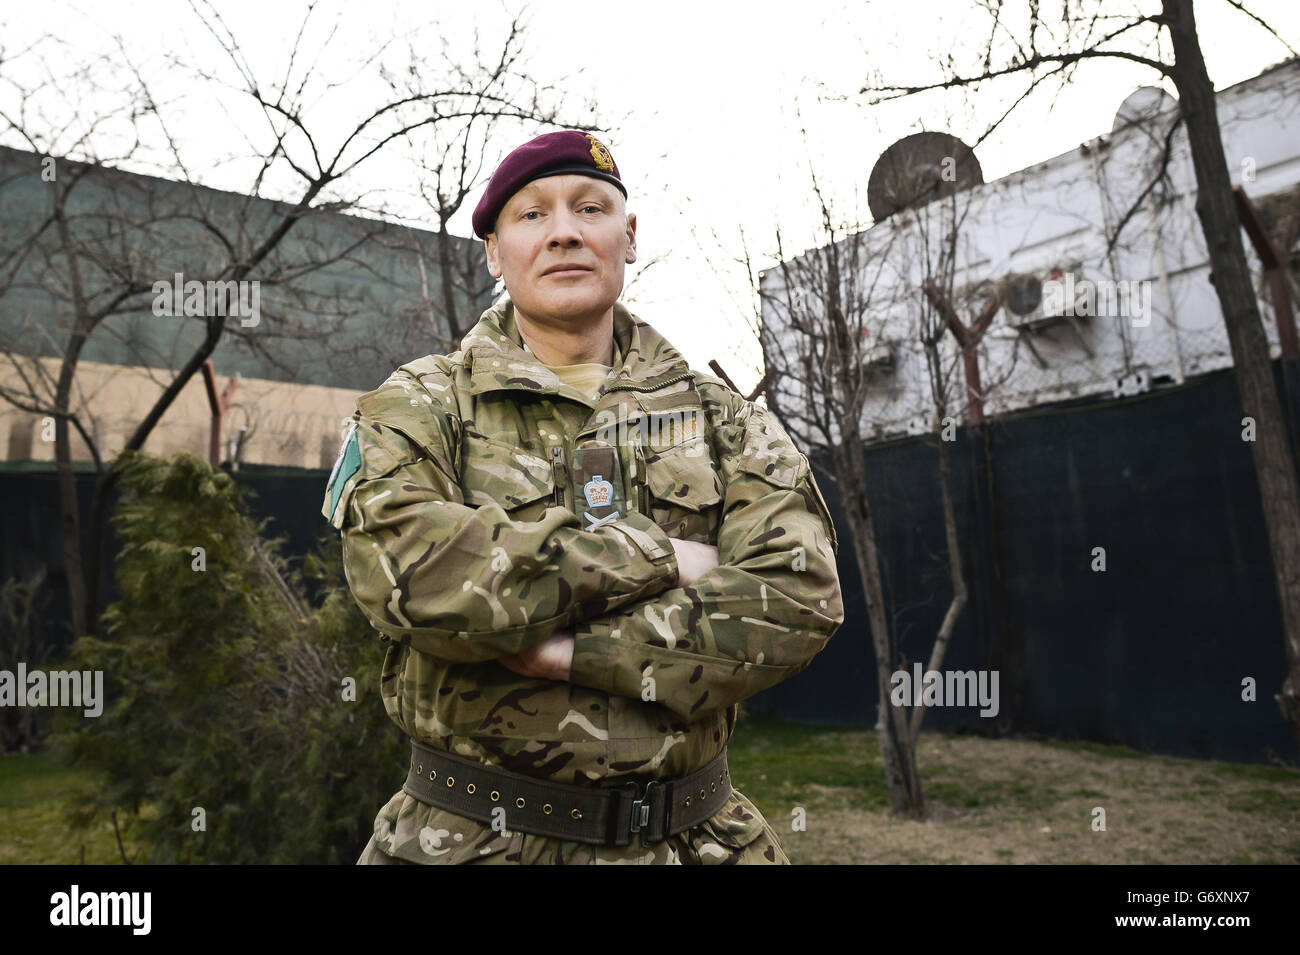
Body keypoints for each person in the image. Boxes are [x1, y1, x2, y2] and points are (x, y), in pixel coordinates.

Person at [322, 129, 843, 864]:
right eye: (532, 215)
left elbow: (798, 598)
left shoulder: (722, 418)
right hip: (469, 841)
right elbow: (410, 575)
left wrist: (576, 651)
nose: (564, 231)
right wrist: (656, 552)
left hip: (694, 838)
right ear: (494, 254)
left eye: (589, 208)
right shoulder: (421, 404)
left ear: (627, 238)